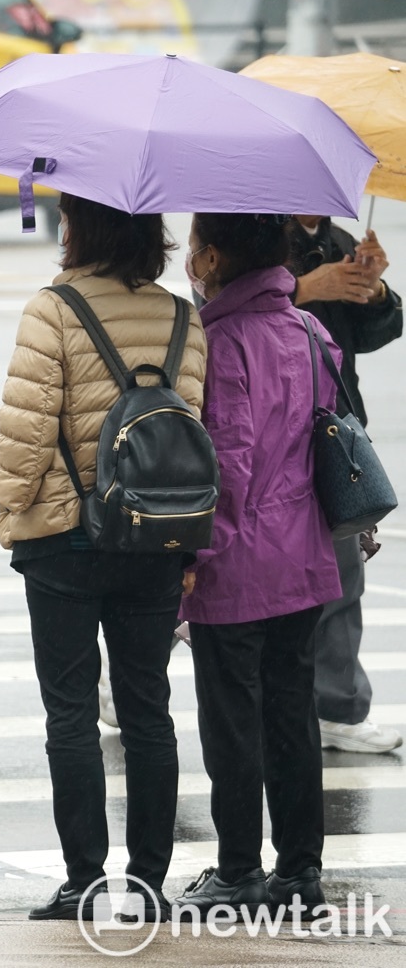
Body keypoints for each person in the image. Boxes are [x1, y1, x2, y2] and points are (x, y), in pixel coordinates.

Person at [0, 192, 207, 922]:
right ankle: (148, 883)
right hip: (156, 540)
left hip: (65, 538)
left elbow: (25, 434)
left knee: (72, 715)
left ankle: (84, 879)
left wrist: (12, 516)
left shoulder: (52, 310)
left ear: (79, 226)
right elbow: (195, 432)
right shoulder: (185, 316)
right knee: (149, 709)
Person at [175, 213, 341, 915]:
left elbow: (231, 467)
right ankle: (300, 868)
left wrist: (193, 558)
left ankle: (239, 867)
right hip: (303, 556)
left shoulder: (220, 341)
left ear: (212, 256)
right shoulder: (311, 332)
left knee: (232, 720)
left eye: (191, 247)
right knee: (293, 713)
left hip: (238, 563)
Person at [289, 216, 403, 754]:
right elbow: (216, 306)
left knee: (342, 566)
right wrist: (307, 287)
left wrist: (374, 288)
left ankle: (337, 704)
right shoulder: (248, 228)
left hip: (332, 423)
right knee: (225, 568)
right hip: (265, 423)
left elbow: (367, 334)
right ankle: (127, 679)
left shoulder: (336, 243)